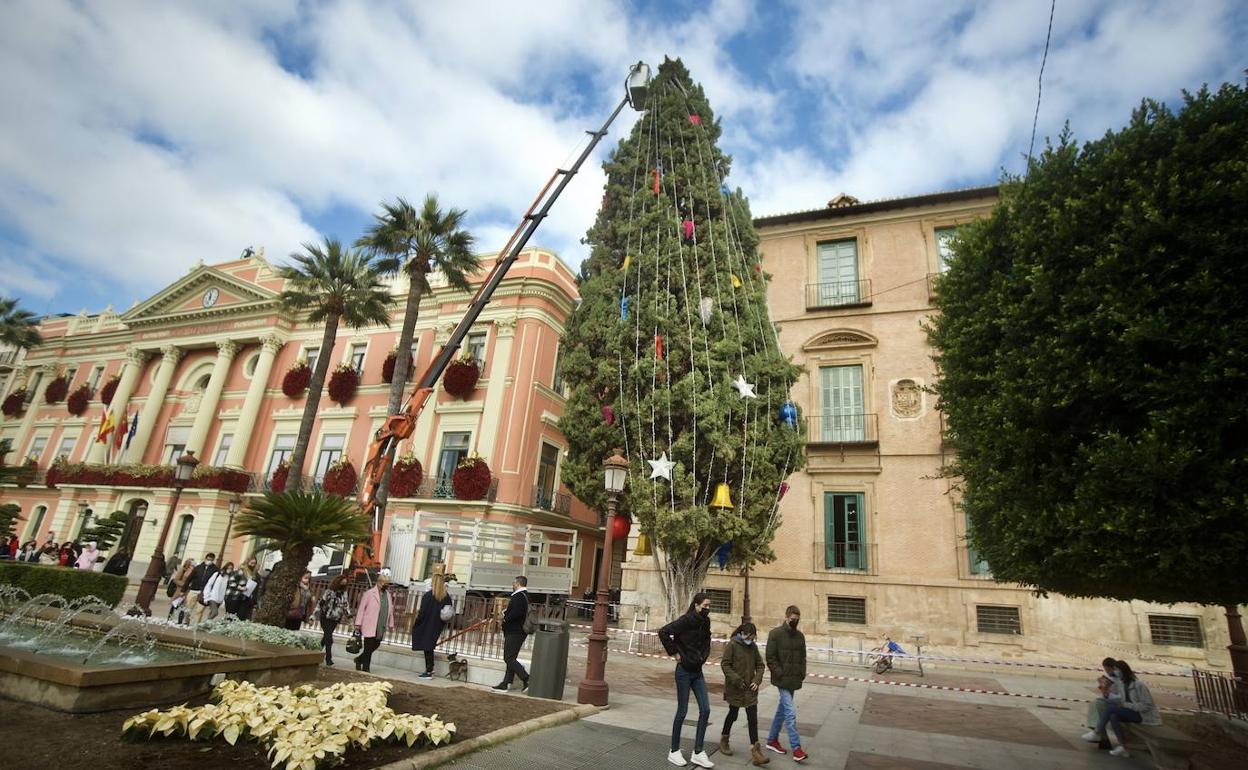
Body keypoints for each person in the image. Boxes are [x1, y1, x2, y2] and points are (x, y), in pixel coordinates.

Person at [659, 592, 714, 768]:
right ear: (696, 605)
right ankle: (674, 751)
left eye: (709, 606)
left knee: (705, 710)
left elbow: (707, 640)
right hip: (683, 671)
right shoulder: (685, 620)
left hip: (697, 671)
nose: (707, 608)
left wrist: (703, 657)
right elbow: (664, 632)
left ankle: (698, 752)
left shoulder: (706, 622)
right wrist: (675, 653)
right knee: (682, 711)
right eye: (705, 606)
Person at [1082, 659, 1160, 758]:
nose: (1115, 673)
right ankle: (1123, 747)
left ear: (1123, 670)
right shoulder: (1122, 684)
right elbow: (1120, 699)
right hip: (1131, 712)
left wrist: (1127, 705)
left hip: (1143, 715)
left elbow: (1147, 705)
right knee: (1113, 716)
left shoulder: (1138, 684)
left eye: (1117, 670)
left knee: (1111, 709)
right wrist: (1106, 694)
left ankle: (1097, 732)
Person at [719, 622, 769, 766]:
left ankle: (756, 751)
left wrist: (757, 680)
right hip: (736, 688)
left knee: (752, 718)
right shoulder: (732, 645)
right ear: (742, 634)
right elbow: (725, 664)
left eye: (753, 638)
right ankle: (724, 739)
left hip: (750, 690)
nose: (750, 640)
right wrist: (736, 679)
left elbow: (760, 665)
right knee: (733, 714)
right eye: (748, 637)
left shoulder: (753, 647)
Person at [764, 605, 808, 762]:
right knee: (790, 712)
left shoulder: (800, 636)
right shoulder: (775, 634)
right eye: (793, 619)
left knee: (782, 711)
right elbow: (770, 657)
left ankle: (772, 740)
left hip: (794, 679)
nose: (795, 622)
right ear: (786, 617)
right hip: (782, 680)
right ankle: (796, 748)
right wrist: (779, 672)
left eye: (797, 620)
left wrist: (801, 673)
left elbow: (803, 657)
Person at [411, 566, 453, 679]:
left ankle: (429, 671)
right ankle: (430, 669)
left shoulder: (428, 596)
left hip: (426, 624)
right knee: (429, 646)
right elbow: (448, 611)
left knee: (427, 647)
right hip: (438, 624)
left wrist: (417, 623)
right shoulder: (446, 596)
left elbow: (422, 612)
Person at [493, 575, 532, 692]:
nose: (512, 585)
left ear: (518, 584)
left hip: (515, 631)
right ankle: (506, 683)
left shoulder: (519, 596)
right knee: (511, 657)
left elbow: (516, 613)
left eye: (514, 583)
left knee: (509, 658)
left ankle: (527, 678)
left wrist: (504, 618)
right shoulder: (524, 596)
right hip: (519, 631)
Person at [353, 571, 394, 673]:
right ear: (379, 583)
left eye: (388, 584)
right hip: (369, 624)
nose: (387, 585)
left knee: (376, 644)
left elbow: (390, 610)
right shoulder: (369, 593)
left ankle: (359, 659)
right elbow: (361, 609)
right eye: (385, 583)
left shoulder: (388, 595)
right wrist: (358, 623)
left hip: (381, 625)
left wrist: (391, 624)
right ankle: (366, 668)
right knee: (368, 646)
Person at [1083, 657, 1123, 750]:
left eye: (1108, 670)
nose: (1107, 672)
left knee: (1099, 706)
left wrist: (1107, 694)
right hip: (1114, 701)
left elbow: (1122, 698)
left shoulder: (1121, 679)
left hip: (1121, 704)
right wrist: (1105, 691)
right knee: (1095, 705)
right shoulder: (1112, 678)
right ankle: (1100, 735)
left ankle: (1100, 735)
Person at [316, 574, 351, 666]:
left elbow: (345, 605)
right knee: (329, 638)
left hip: (335, 618)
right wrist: (313, 615)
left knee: (326, 638)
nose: (343, 585)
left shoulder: (344, 593)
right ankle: (328, 658)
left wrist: (349, 616)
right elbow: (321, 603)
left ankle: (315, 653)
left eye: (345, 583)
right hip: (326, 617)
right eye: (342, 582)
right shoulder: (329, 592)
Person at [186, 552, 219, 624]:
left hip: (204, 593)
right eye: (208, 559)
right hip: (194, 590)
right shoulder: (198, 568)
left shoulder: (215, 570)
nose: (209, 561)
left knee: (199, 611)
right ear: (205, 559)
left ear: (213, 560)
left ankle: (196, 625)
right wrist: (183, 590)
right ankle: (186, 622)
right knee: (188, 608)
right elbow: (189, 579)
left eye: (211, 560)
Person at [167, 558, 196, 625]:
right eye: (192, 564)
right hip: (180, 591)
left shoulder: (195, 571)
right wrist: (184, 584)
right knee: (175, 605)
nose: (193, 565)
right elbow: (176, 580)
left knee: (184, 607)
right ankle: (170, 619)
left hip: (188, 592)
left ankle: (180, 621)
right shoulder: (183, 570)